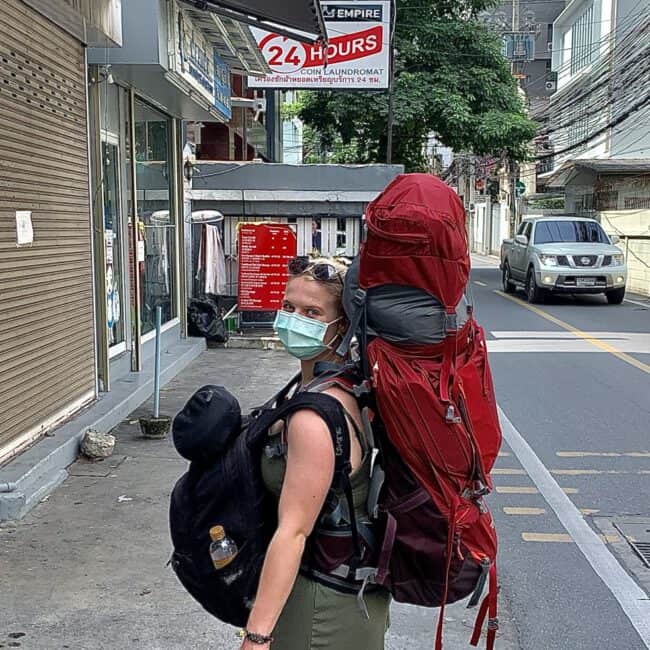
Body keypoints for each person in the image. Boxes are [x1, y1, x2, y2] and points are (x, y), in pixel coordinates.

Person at [239, 256, 390, 649]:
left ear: (342, 325)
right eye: (288, 307)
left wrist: (256, 635)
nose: (294, 320)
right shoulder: (345, 383)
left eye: (312, 312)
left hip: (321, 608)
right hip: (347, 593)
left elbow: (294, 532)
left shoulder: (313, 418)